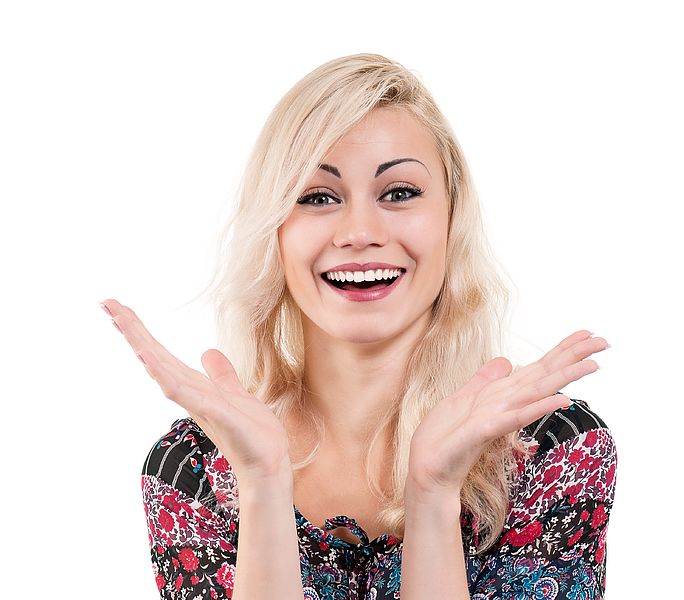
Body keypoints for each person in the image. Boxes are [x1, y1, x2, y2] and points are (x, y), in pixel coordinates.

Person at [102, 53, 616, 599]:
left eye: (399, 193)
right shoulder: (195, 472)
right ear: (274, 230)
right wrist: (261, 486)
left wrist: (433, 493)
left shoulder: (551, 449)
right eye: (318, 197)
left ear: (451, 217)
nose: (360, 232)